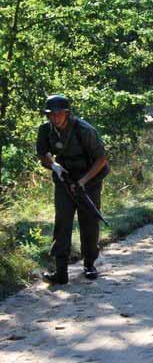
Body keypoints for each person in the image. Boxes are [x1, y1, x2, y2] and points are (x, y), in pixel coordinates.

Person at [36, 95, 109, 284]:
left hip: (89, 178)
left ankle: (89, 264)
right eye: (51, 114)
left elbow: (101, 160)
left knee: (89, 221)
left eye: (59, 113)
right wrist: (54, 167)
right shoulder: (45, 130)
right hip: (64, 179)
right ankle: (61, 271)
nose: (55, 117)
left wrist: (83, 182)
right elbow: (43, 155)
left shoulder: (84, 130)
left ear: (67, 113)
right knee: (62, 222)